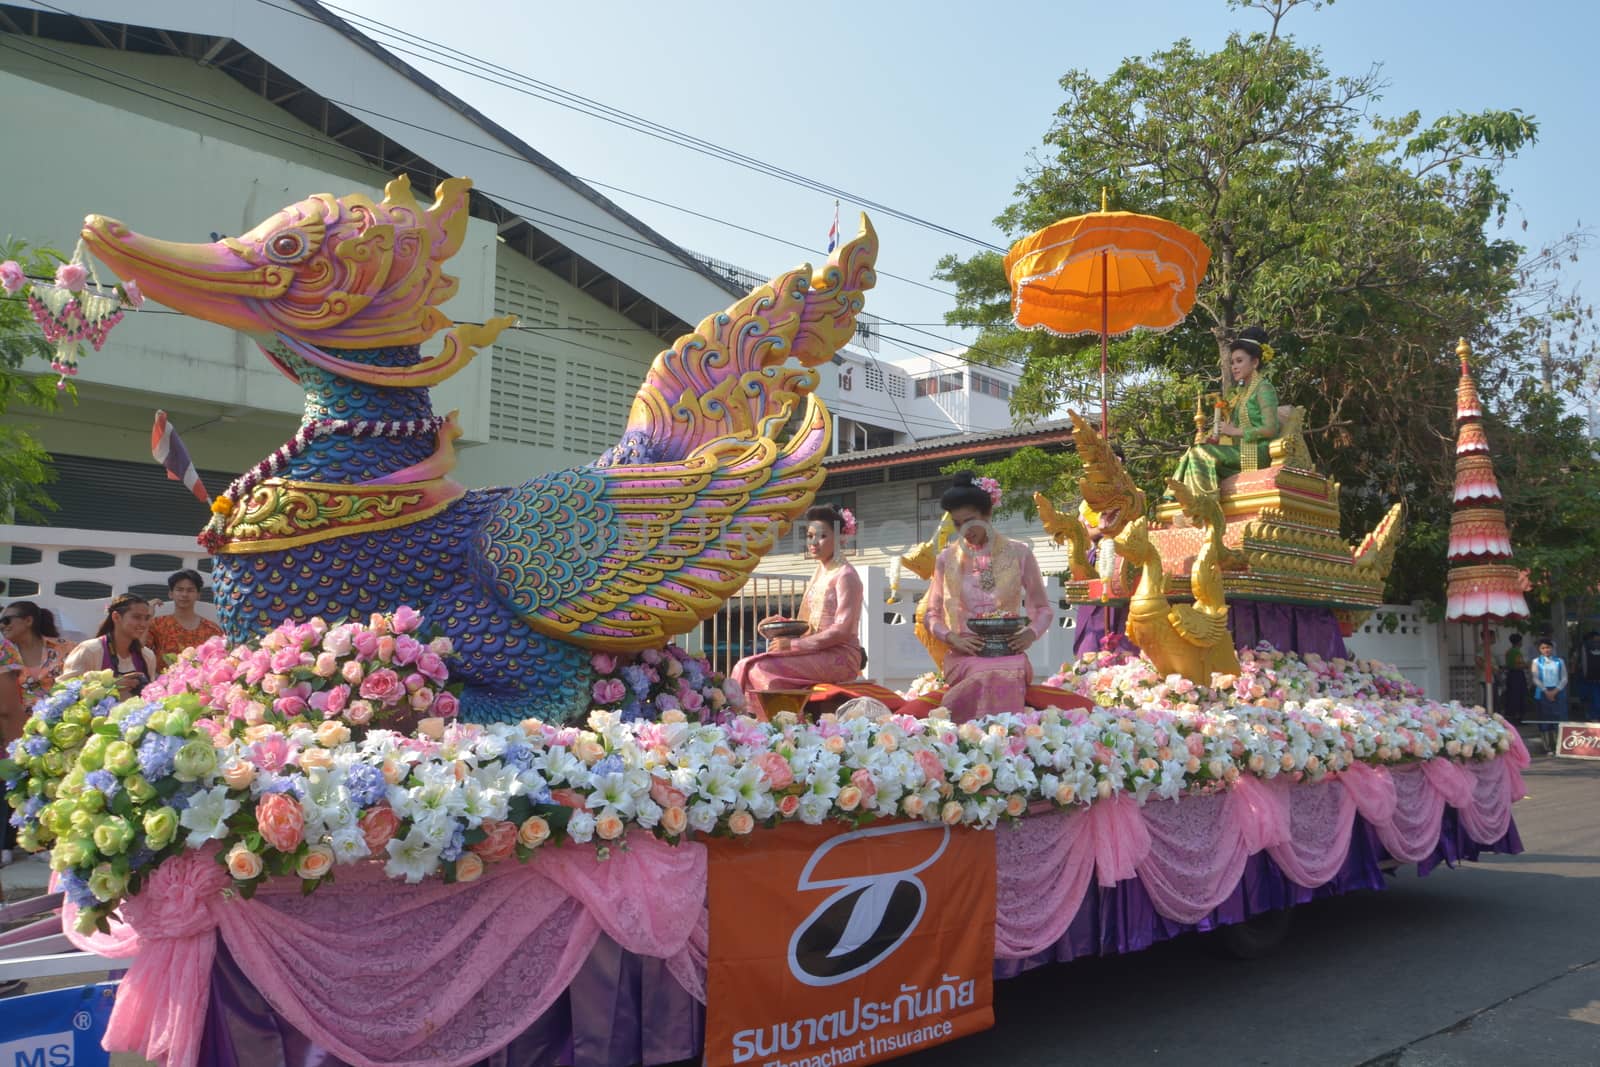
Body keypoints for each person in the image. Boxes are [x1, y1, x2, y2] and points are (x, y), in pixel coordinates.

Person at [923, 472, 1053, 722]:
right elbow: (932, 614)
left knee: (1009, 669)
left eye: (971, 521)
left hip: (1008, 651)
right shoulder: (946, 559)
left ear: (987, 515)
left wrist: (1030, 634)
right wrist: (952, 638)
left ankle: (1006, 740)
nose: (965, 530)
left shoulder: (1019, 553)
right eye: (958, 524)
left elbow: (1043, 609)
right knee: (983, 671)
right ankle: (972, 740)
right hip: (965, 653)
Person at [730, 504, 865, 707]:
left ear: (840, 538)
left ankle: (783, 727)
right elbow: (809, 622)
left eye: (822, 536)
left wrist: (792, 645)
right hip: (816, 651)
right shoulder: (819, 573)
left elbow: (842, 630)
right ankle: (750, 725)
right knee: (744, 664)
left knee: (761, 668)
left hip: (841, 656)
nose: (813, 542)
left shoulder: (846, 575)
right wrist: (779, 626)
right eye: (810, 536)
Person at [1170, 326, 1282, 497]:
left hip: (1257, 451)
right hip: (1239, 449)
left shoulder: (1264, 388)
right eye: (1232, 362)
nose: (1234, 367)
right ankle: (1181, 502)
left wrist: (1234, 431)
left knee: (1200, 453)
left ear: (1255, 362)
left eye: (1239, 361)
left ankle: (1204, 504)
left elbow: (1270, 428)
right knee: (1195, 450)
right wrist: (1218, 438)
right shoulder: (1240, 393)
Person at [59, 594, 159, 697]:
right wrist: (109, 687)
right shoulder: (90, 650)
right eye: (136, 617)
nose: (143, 624)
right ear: (116, 617)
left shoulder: (147, 656)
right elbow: (63, 692)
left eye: (146, 618)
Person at [0, 601, 74, 710]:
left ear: (28, 621)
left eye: (6, 621)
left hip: (60, 721)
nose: (1, 625)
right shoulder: (3, 656)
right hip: (17, 723)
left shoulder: (67, 648)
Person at [146, 569, 224, 662]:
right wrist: (146, 616)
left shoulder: (212, 630)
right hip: (163, 676)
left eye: (190, 590)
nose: (184, 594)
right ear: (171, 594)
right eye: (179, 590)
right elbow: (139, 651)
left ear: (198, 595)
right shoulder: (157, 624)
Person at [1530, 637, 1569, 750]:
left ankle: (1560, 746)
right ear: (1539, 649)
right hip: (1543, 693)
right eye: (1543, 648)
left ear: (1552, 648)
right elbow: (1535, 678)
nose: (1546, 650)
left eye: (1548, 647)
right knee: (1544, 718)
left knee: (1559, 717)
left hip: (1558, 692)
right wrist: (1546, 691)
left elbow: (1564, 678)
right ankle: (1548, 747)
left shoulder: (1560, 661)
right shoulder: (1536, 662)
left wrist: (1556, 690)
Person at [1501, 633, 1528, 725]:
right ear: (1519, 642)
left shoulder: (1508, 651)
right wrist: (1527, 665)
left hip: (1510, 675)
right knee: (1519, 696)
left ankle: (1511, 716)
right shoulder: (1517, 652)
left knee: (1511, 696)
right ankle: (1518, 717)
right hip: (1517, 675)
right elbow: (1518, 665)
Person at [1580, 630, 1600, 719]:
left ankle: (1591, 715)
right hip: (1594, 678)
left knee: (1589, 697)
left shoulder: (1584, 646)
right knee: (1595, 697)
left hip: (1587, 677)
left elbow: (1582, 662)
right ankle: (1594, 715)